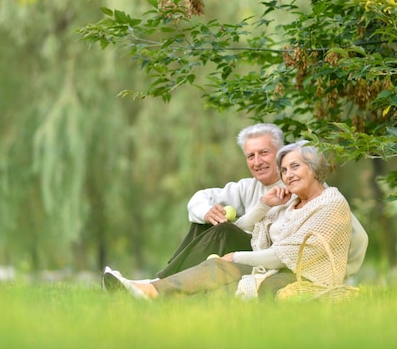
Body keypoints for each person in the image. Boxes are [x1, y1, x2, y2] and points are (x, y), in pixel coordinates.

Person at [104, 140, 355, 300]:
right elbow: (242, 231)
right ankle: (151, 290)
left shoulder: (329, 203)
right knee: (219, 256)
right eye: (285, 170)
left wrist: (235, 257)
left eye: (295, 167)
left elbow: (282, 255)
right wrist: (265, 205)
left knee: (242, 284)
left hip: (303, 277)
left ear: (314, 167)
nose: (288, 175)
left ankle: (153, 290)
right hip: (271, 264)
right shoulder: (290, 202)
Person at [154, 123, 368, 280]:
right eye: (250, 156)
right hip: (258, 253)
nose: (257, 162)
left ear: (279, 153)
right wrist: (208, 211)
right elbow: (199, 199)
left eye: (264, 153)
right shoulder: (246, 187)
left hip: (278, 262)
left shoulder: (311, 192)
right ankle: (163, 279)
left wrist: (339, 275)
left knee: (224, 231)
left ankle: (160, 283)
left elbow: (357, 237)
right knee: (206, 222)